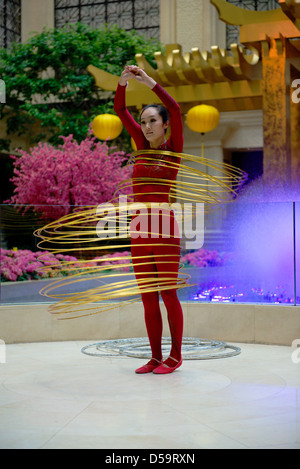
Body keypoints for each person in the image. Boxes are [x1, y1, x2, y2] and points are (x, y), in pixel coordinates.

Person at [114, 65, 184, 374]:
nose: (146, 126)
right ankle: (155, 356)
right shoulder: (140, 149)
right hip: (139, 229)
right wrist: (122, 83)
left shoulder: (173, 150)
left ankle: (175, 356)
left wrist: (149, 82)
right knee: (147, 297)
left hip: (165, 228)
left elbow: (176, 107)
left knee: (167, 293)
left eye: (152, 120)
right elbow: (119, 109)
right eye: (143, 122)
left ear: (165, 125)